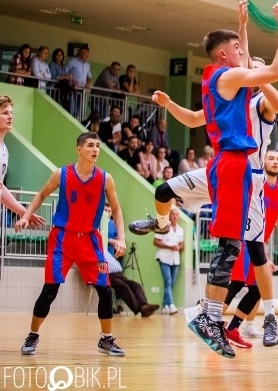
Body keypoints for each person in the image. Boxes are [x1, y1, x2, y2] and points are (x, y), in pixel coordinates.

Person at [129, 0, 278, 358]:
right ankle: (212, 317)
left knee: (238, 248)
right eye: (235, 48)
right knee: (234, 248)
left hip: (231, 166)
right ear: (223, 54)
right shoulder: (231, 78)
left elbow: (249, 75)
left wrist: (243, 27)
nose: (243, 54)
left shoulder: (226, 85)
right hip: (234, 167)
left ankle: (219, 317)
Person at [15, 132, 127, 356]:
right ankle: (33, 335)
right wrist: (26, 215)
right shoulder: (62, 174)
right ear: (79, 149)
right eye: (90, 145)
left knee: (105, 291)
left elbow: (116, 209)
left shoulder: (106, 178)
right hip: (62, 239)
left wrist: (122, 237)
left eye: (98, 145)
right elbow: (41, 195)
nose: (95, 149)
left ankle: (106, 339)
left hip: (90, 240)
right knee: (50, 290)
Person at [223, 149, 278, 348]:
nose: (274, 162)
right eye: (271, 158)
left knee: (257, 290)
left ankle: (231, 329)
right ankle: (211, 324)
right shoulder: (255, 182)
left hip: (258, 244)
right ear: (263, 161)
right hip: (244, 240)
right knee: (237, 284)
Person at [0, 96, 46, 228]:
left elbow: (1, 188)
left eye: (11, 113)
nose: (10, 117)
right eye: (5, 113)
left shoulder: (4, 149)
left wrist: (24, 213)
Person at [107, 220, 159, 317]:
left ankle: (144, 305)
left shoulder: (113, 224)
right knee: (124, 286)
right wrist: (110, 241)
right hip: (105, 272)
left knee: (136, 285)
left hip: (114, 269)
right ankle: (141, 309)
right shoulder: (100, 226)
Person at [154, 207, 184, 314]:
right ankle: (171, 305)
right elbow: (156, 242)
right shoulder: (163, 227)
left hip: (175, 259)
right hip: (164, 258)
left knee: (170, 284)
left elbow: (181, 244)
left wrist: (178, 247)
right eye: (173, 214)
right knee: (168, 281)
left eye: (177, 214)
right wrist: (169, 247)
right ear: (169, 216)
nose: (175, 216)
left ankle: (164, 305)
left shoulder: (180, 230)